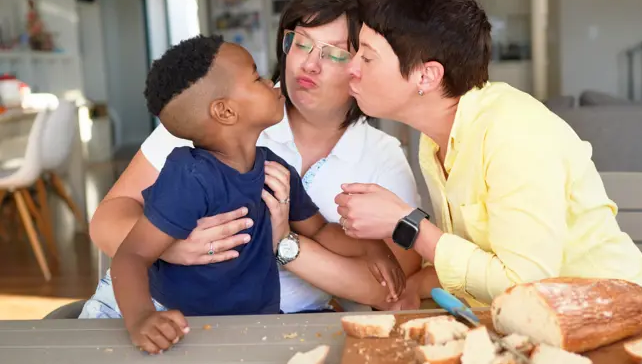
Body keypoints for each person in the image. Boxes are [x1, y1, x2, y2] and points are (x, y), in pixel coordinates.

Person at [88, 0, 422, 314]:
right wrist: (172, 247)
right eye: (300, 43)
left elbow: (390, 288)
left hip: (272, 328)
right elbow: (108, 218)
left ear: (361, 64)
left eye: (334, 52)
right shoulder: (211, 111)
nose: (308, 64)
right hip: (156, 309)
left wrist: (287, 246)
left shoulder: (380, 155)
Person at [336, 0, 642, 309]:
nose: (351, 68)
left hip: (613, 323)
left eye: (368, 57)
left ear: (427, 75)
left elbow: (524, 284)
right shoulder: (434, 139)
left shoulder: (515, 134)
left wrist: (409, 225)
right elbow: (474, 258)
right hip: (528, 326)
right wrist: (412, 287)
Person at [80, 36, 404, 354]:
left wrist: (370, 245)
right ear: (226, 112)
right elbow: (132, 256)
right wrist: (142, 318)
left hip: (242, 331)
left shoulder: (275, 170)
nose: (271, 81)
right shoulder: (190, 176)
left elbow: (319, 230)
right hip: (173, 324)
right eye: (257, 77)